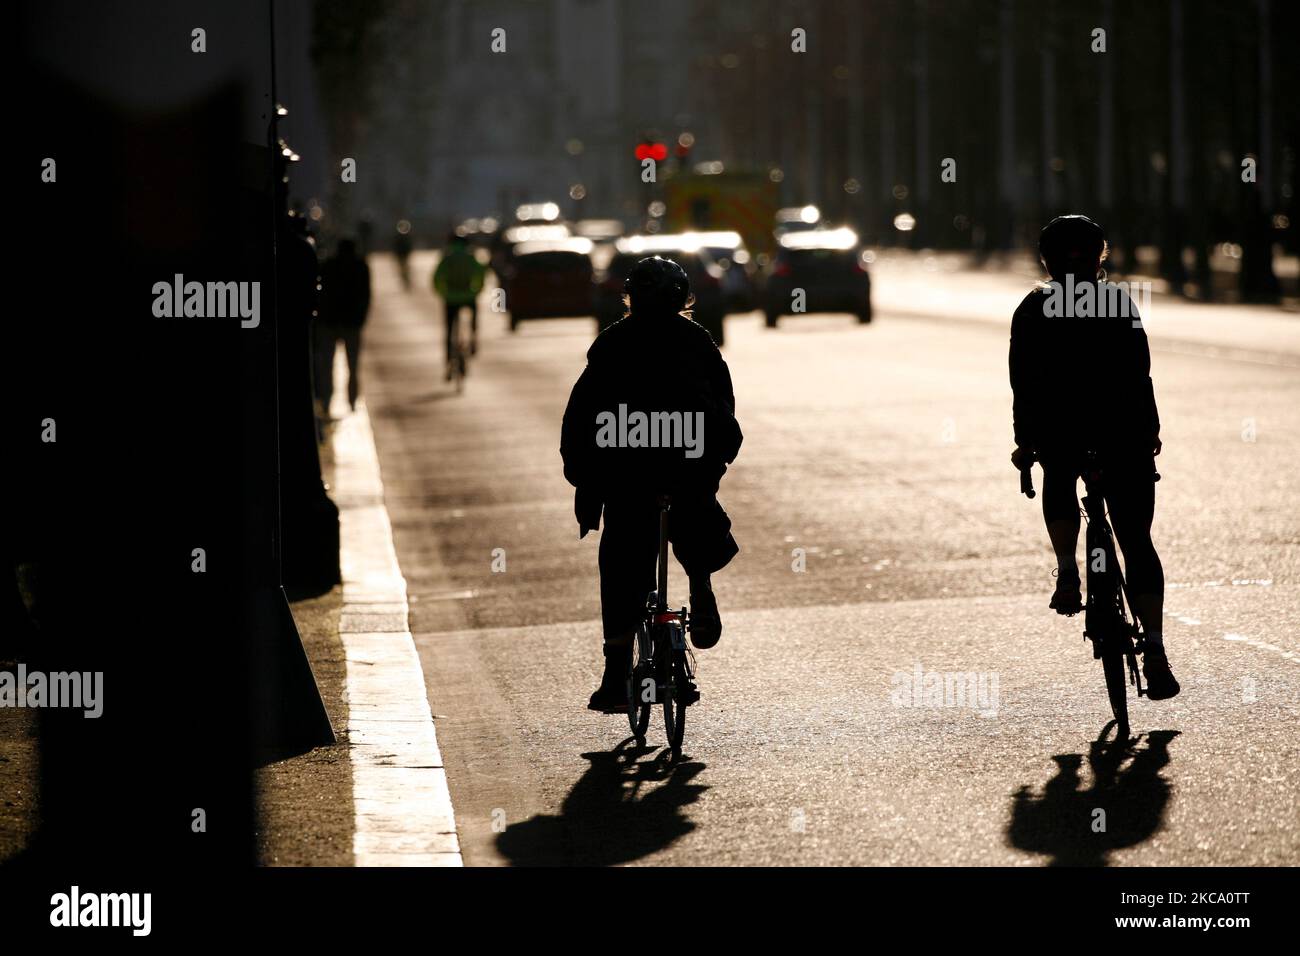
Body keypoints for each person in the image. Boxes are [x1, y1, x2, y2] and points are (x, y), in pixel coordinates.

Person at [561, 256, 743, 713]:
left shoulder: (612, 343)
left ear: (631, 299)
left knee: (622, 559)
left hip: (628, 476)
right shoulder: (697, 342)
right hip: (687, 469)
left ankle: (616, 670)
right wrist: (714, 460)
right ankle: (701, 589)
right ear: (684, 300)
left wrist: (585, 479)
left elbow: (580, 419)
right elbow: (724, 409)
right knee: (697, 515)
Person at [1009, 214, 1179, 699]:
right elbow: (1139, 374)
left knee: (1058, 479)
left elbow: (1024, 384)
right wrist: (1149, 432)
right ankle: (1157, 649)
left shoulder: (1033, 308)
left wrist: (1026, 441)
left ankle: (1067, 569)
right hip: (1122, 432)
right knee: (1137, 541)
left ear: (1045, 259)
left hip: (1060, 431)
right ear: (1101, 254)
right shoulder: (1117, 303)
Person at [315, 238, 372, 413]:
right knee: (353, 365)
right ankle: (352, 401)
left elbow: (321, 293)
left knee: (327, 364)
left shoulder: (328, 265)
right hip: (352, 323)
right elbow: (366, 295)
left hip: (329, 322)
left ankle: (326, 400)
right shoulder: (361, 266)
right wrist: (362, 318)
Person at [433, 233, 487, 378]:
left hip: (450, 298)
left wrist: (443, 293)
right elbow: (480, 274)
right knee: (473, 316)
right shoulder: (470, 258)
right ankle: (473, 339)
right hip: (468, 296)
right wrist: (476, 290)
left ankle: (448, 361)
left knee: (449, 329)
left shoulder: (447, 258)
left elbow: (437, 278)